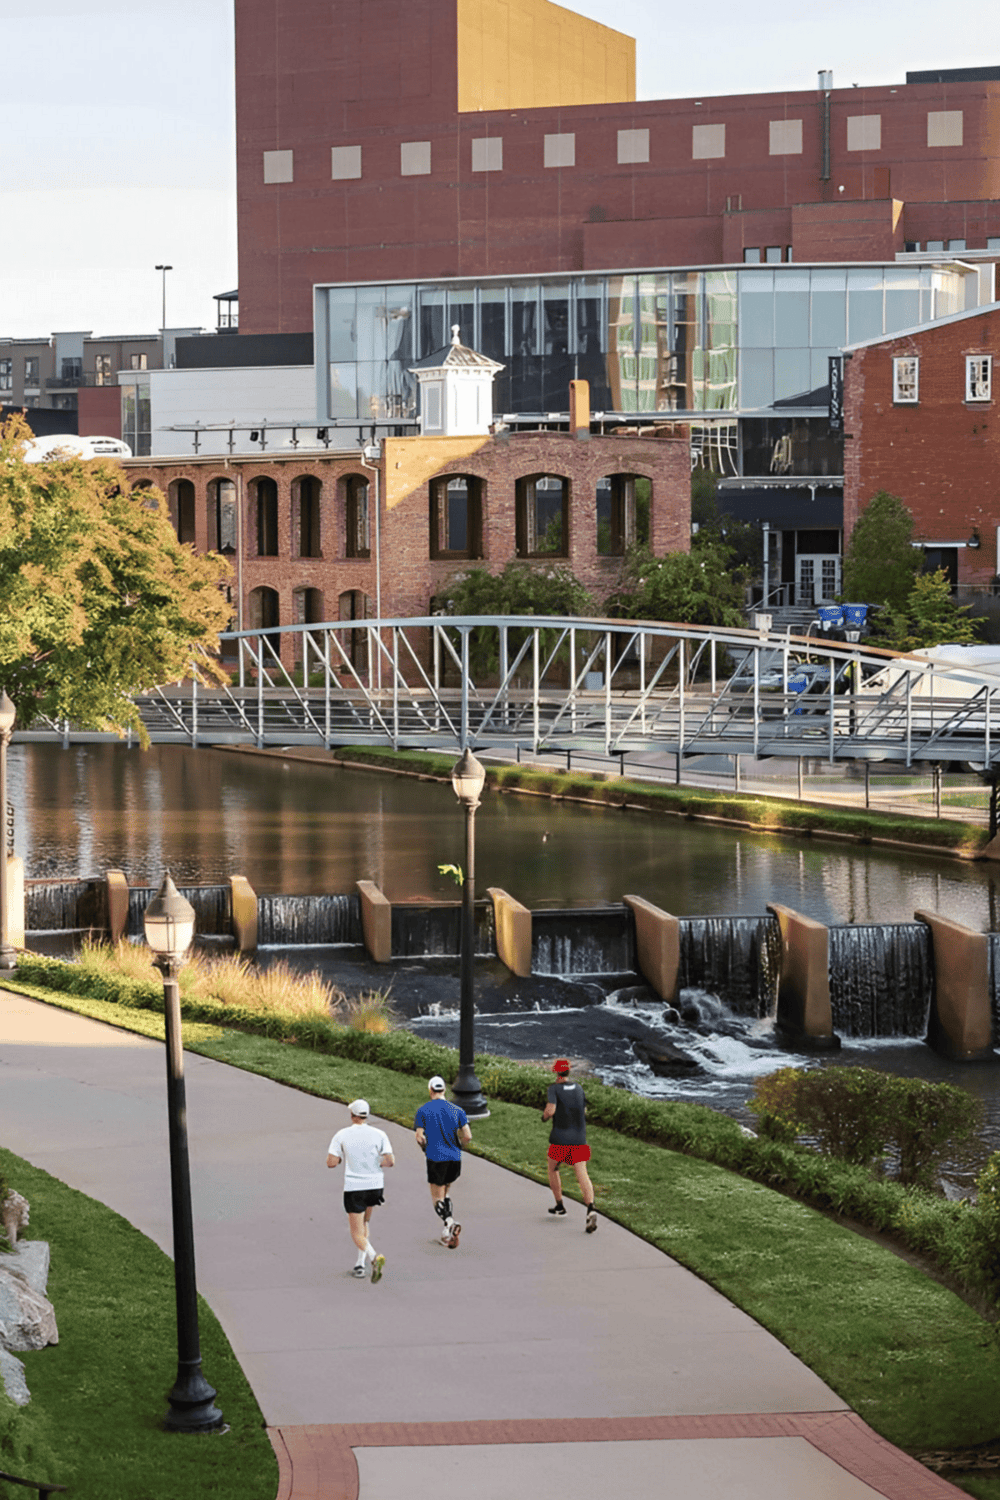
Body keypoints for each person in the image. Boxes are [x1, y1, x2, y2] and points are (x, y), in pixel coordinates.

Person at [327, 1099, 394, 1281]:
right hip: (375, 1185)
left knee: (356, 1232)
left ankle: (374, 1257)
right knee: (365, 1223)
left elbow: (331, 1162)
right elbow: (390, 1161)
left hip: (355, 1187)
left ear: (352, 1115)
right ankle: (359, 1264)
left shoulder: (342, 1135)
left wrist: (342, 1159)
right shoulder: (380, 1134)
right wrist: (375, 1163)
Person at [414, 1075, 471, 1249]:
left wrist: (425, 1146)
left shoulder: (424, 1110)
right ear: (444, 1090)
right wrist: (458, 1146)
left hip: (436, 1157)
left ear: (430, 1090)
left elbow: (419, 1136)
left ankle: (449, 1222)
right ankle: (446, 1233)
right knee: (445, 1194)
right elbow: (468, 1136)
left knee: (436, 1198)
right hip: (454, 1158)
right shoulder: (457, 1110)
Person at [543, 1058, 597, 1233]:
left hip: (560, 1138)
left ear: (555, 1072)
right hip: (579, 1138)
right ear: (568, 1072)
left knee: (553, 1168)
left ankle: (559, 1205)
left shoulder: (554, 1089)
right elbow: (583, 1110)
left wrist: (544, 1117)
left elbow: (550, 1110)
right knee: (582, 1172)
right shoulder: (579, 1088)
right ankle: (590, 1208)